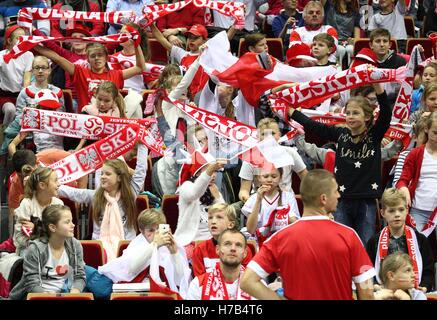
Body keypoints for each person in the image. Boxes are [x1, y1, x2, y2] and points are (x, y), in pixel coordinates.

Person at [240, 169, 376, 300]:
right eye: (335, 191)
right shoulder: (348, 236)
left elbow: (247, 281)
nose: (339, 195)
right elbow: (366, 288)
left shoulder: (279, 238)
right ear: (323, 198)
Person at [288, 83, 390, 244]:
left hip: (366, 201)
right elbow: (316, 127)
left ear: (368, 117)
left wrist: (378, 87)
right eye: (348, 113)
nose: (350, 116)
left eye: (355, 113)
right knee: (341, 243)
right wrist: (291, 112)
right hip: (341, 200)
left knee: (364, 244)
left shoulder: (374, 136)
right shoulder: (341, 134)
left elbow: (386, 113)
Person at [58, 143, 149, 261]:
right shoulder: (96, 196)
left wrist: (143, 144)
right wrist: (51, 184)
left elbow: (141, 171)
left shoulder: (130, 194)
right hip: (101, 251)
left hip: (127, 250)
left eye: (108, 174)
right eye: (101, 174)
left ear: (119, 178)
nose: (103, 177)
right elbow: (73, 193)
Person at [86, 208, 191, 299]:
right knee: (87, 272)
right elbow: (132, 268)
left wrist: (174, 253)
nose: (155, 234)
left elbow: (180, 279)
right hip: (134, 289)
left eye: (158, 229)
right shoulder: (137, 244)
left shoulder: (172, 245)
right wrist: (154, 245)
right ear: (141, 230)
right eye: (150, 230)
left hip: (164, 291)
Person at [33, 36, 145, 112]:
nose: (97, 58)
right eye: (93, 56)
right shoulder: (80, 72)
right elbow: (57, 58)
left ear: (106, 58)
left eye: (100, 55)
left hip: (109, 120)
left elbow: (140, 68)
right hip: (86, 120)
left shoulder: (115, 74)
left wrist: (137, 44)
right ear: (88, 59)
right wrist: (32, 45)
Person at [9, 205, 86, 300]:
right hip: (38, 296)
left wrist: (75, 292)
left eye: (72, 221)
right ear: (53, 227)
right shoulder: (35, 249)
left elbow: (80, 276)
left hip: (65, 293)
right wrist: (47, 295)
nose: (73, 225)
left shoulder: (75, 245)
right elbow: (32, 283)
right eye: (67, 222)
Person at [366, 188, 435, 291]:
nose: (397, 214)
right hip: (383, 292)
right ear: (382, 213)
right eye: (391, 210)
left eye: (401, 209)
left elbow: (428, 270)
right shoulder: (374, 241)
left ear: (407, 210)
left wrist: (424, 287)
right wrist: (375, 286)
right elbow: (367, 270)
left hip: (414, 291)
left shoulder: (420, 240)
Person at [1, 56, 64, 156]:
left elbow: (62, 116)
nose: (40, 71)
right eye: (37, 68)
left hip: (52, 130)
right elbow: (19, 116)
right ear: (32, 71)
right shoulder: (24, 92)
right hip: (29, 131)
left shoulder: (57, 92)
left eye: (43, 67)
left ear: (49, 70)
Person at [238, 118, 307, 202]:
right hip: (260, 201)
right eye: (264, 134)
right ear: (257, 136)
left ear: (279, 135)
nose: (268, 138)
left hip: (286, 201)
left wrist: (307, 196)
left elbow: (305, 176)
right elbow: (244, 190)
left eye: (272, 133)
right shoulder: (250, 157)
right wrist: (246, 199)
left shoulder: (290, 153)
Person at [396, 111, 437, 239]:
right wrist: (403, 188)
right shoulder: (415, 153)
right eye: (435, 133)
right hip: (418, 209)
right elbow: (402, 180)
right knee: (413, 245)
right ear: (426, 129)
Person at [186, 229, 254, 300]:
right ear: (217, 249)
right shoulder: (198, 284)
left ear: (245, 253)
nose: (233, 248)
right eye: (227, 244)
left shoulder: (257, 284)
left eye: (238, 245)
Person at [242, 167, 300, 246]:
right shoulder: (253, 198)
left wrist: (284, 214)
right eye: (265, 176)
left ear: (280, 177)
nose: (269, 180)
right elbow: (250, 230)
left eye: (274, 176)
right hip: (259, 243)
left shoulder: (288, 197)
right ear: (259, 178)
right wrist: (258, 200)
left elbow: (295, 224)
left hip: (282, 241)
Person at [176, 152, 227, 243]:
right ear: (197, 173)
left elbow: (224, 215)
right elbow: (194, 193)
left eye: (215, 171)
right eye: (209, 170)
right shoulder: (186, 187)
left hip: (213, 239)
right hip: (191, 240)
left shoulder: (214, 189)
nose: (214, 175)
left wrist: (218, 198)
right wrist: (210, 170)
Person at [191, 203, 253, 277]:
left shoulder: (242, 249)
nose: (213, 222)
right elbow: (199, 282)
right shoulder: (199, 250)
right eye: (210, 218)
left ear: (230, 225)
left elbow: (246, 280)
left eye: (219, 217)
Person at [13, 167, 63, 257]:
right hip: (29, 250)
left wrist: (35, 228)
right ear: (42, 185)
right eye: (55, 181)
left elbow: (61, 232)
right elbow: (19, 238)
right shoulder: (27, 204)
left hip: (53, 249)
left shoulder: (58, 204)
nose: (59, 184)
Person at [151, 23, 208, 98]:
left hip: (201, 98)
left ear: (204, 40)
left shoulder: (209, 56)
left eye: (195, 38)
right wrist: (151, 24)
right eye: (190, 37)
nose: (191, 40)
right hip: (183, 97)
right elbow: (161, 39)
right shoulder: (183, 54)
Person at [8, 88, 65, 156]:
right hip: (41, 160)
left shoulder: (64, 121)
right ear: (38, 107)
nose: (47, 111)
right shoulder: (32, 121)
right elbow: (12, 145)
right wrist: (20, 162)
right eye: (44, 107)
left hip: (61, 159)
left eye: (51, 108)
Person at [0, 25, 33, 127]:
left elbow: (26, 81)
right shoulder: (1, 56)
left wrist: (25, 101)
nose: (23, 40)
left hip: (21, 96)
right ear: (9, 41)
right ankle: (5, 134)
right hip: (4, 96)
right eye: (19, 38)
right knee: (10, 110)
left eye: (24, 38)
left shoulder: (28, 55)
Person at [110, 23, 152, 93]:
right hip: (117, 94)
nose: (120, 36)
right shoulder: (114, 57)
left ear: (134, 37)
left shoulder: (143, 59)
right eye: (120, 33)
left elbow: (150, 84)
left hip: (136, 94)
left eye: (124, 34)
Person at [325, 0, 360, 68]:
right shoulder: (329, 7)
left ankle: (351, 69)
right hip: (333, 42)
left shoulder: (355, 12)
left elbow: (357, 38)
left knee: (350, 49)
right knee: (340, 49)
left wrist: (353, 40)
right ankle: (337, 69)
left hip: (347, 43)